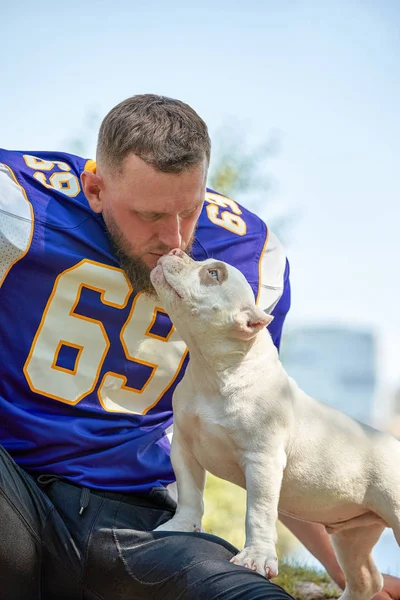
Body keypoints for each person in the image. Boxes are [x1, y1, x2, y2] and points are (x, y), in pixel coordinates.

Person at [0, 94, 398, 600]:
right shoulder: (16, 204)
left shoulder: (251, 258)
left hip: (140, 519)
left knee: (245, 594)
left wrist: (344, 568)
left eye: (190, 210)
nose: (174, 239)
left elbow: (262, 429)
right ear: (96, 188)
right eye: (149, 215)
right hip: (13, 494)